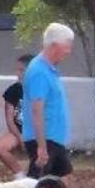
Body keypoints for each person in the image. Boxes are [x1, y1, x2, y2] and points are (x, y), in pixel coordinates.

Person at [20, 23, 76, 178]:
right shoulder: (39, 71)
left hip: (54, 137)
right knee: (37, 183)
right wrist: (41, 146)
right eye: (67, 46)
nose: (68, 51)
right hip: (45, 138)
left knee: (63, 179)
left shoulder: (48, 69)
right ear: (54, 46)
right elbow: (37, 109)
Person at [0, 54, 33, 175]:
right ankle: (19, 174)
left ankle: (37, 176)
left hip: (37, 130)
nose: (18, 74)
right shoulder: (13, 90)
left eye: (21, 70)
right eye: (17, 70)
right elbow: (10, 120)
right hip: (18, 130)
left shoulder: (40, 89)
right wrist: (20, 137)